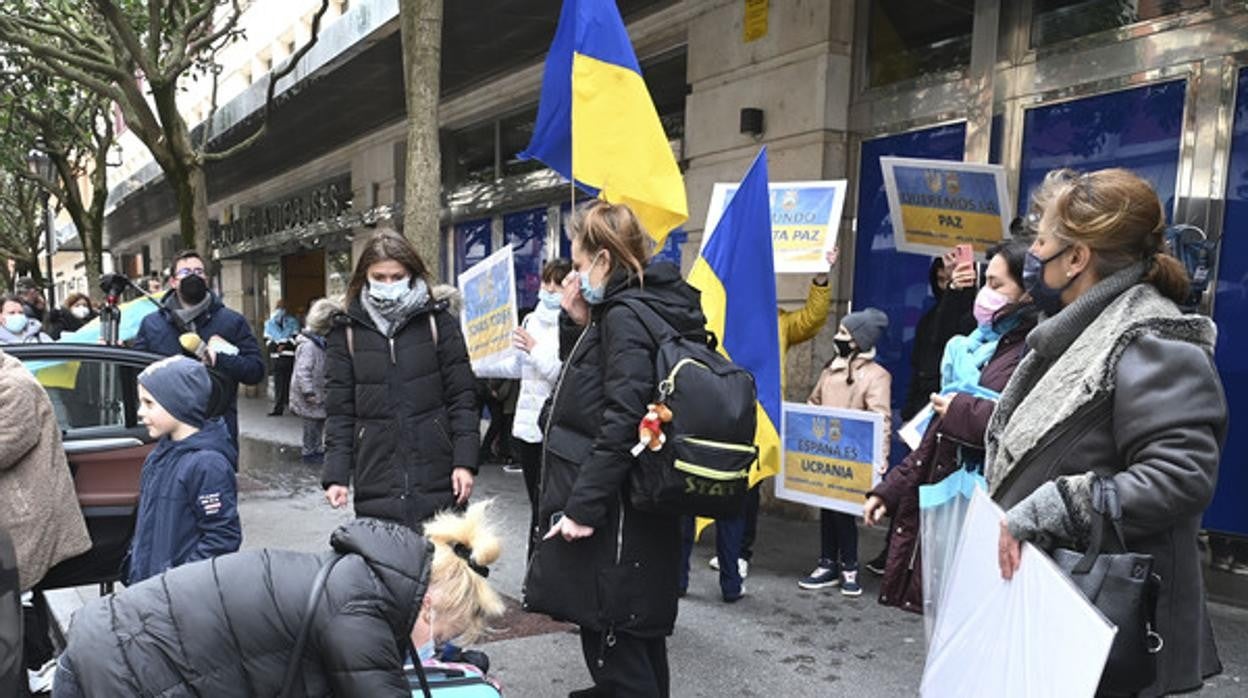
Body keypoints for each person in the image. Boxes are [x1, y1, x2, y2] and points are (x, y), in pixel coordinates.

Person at [991, 168, 1225, 696]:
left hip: (1106, 625)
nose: (1033, 254)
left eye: (1042, 241)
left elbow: (1181, 476)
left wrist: (1057, 504)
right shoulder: (1079, 332)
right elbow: (1062, 441)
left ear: (1077, 258)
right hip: (1059, 608)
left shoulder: (1154, 340)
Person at [524, 201, 706, 698]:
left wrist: (582, 508)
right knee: (638, 647)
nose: (575, 277)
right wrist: (579, 321)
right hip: (640, 512)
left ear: (604, 261)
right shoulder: (642, 309)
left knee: (619, 657)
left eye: (580, 266)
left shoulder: (626, 317)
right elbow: (590, 386)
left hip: (617, 522)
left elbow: (620, 419)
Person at [51, 506, 506, 697]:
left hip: (111, 648)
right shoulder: (359, 612)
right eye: (441, 636)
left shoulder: (360, 577)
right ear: (428, 603)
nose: (433, 648)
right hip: (116, 672)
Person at [863, 240, 1037, 613]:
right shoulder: (971, 346)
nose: (984, 294)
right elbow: (934, 437)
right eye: (983, 282)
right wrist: (889, 492)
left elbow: (1025, 427)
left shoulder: (1032, 351)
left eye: (996, 284)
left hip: (994, 515)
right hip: (951, 505)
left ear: (1028, 292)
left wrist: (960, 410)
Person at [322, 229, 479, 530]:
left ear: (412, 274)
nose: (389, 284)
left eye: (397, 276)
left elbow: (463, 399)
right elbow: (339, 412)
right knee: (383, 569)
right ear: (364, 276)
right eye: (379, 277)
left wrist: (465, 462)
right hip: (375, 476)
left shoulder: (438, 322)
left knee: (442, 572)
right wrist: (336, 475)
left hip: (438, 473)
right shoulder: (346, 332)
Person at [709, 248, 839, 581]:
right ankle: (725, 546)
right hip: (723, 411)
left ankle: (740, 552)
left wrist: (821, 278)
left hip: (759, 415)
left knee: (749, 484)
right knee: (725, 480)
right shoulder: (723, 317)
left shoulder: (779, 320)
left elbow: (811, 319)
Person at [0, 348, 92, 691]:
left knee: (16, 598)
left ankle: (38, 669)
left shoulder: (13, 386)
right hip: (15, 511)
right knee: (17, 598)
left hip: (23, 514)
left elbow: (5, 445)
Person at [475, 258, 570, 558]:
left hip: (555, 427)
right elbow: (517, 367)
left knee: (550, 505)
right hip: (528, 428)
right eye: (546, 282)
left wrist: (534, 348)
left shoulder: (572, 321)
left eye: (558, 283)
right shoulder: (530, 320)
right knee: (536, 503)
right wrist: (478, 362)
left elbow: (562, 372)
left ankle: (545, 570)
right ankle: (535, 570)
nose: (550, 289)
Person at [798, 308, 891, 596]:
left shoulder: (876, 376)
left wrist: (880, 458)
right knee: (827, 507)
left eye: (844, 334)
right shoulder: (830, 368)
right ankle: (827, 563)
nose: (837, 338)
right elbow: (813, 401)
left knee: (843, 512)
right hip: (827, 452)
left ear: (858, 341)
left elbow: (881, 419)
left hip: (854, 455)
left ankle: (849, 566)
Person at [125, 356, 241, 585]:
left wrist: (176, 585)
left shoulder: (208, 465)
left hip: (179, 600)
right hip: (150, 591)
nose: (140, 411)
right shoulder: (160, 455)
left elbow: (222, 539)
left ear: (179, 403)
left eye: (149, 403)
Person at [133, 250, 264, 446]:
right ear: (174, 281)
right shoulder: (152, 324)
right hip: (168, 433)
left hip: (218, 431)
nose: (193, 276)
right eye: (185, 272)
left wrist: (219, 359)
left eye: (198, 271)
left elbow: (255, 371)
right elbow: (136, 371)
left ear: (207, 279)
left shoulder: (232, 321)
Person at [290, 298, 338, 465]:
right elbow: (303, 371)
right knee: (311, 425)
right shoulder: (310, 346)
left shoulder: (319, 345)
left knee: (317, 423)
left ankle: (315, 448)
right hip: (310, 395)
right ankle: (310, 451)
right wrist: (308, 391)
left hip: (318, 392)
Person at [264, 299, 301, 416]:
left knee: (291, 383)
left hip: (289, 357)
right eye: (279, 307)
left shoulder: (292, 322)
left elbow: (296, 338)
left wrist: (284, 345)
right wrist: (276, 347)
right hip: (276, 358)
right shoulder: (270, 323)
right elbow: (267, 340)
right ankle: (278, 408)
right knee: (279, 384)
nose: (281, 310)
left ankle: (292, 406)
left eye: (283, 307)